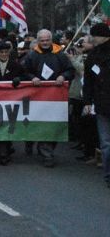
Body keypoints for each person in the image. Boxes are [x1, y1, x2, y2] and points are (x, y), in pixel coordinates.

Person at [24, 29, 75, 167]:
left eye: (47, 40)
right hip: (37, 96)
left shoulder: (60, 54)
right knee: (39, 122)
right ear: (38, 41)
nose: (45, 43)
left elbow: (70, 70)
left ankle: (47, 149)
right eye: (42, 40)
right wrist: (32, 77)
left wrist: (63, 76)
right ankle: (42, 149)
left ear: (51, 40)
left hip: (55, 97)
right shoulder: (32, 55)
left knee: (53, 124)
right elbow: (24, 71)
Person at [82, 23, 110, 188]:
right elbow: (88, 81)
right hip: (102, 104)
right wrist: (87, 101)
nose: (92, 39)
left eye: (94, 36)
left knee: (106, 142)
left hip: (103, 101)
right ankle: (108, 175)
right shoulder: (92, 56)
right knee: (106, 143)